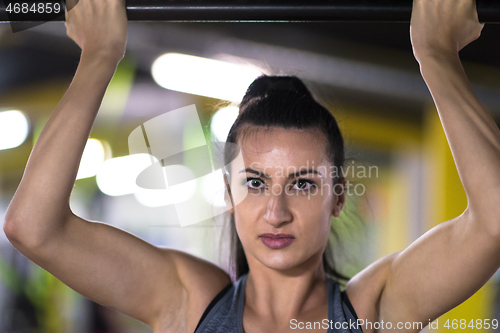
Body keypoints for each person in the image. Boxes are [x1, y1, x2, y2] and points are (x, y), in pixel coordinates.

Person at [3, 0, 500, 332]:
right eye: (256, 183)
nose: (276, 211)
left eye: (303, 184)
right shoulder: (189, 302)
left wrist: (434, 55)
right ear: (228, 193)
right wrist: (100, 55)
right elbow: (33, 227)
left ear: (339, 196)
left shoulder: (374, 310)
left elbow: (495, 222)